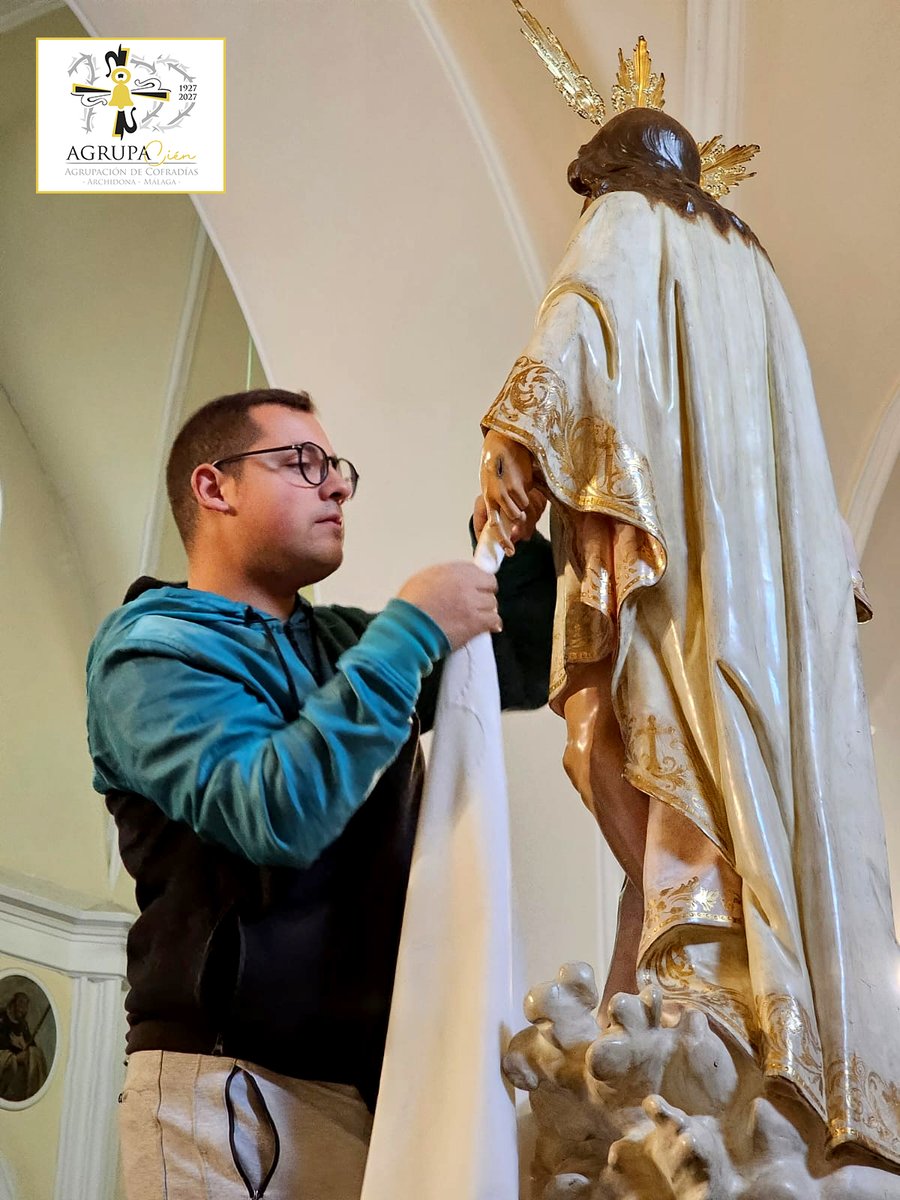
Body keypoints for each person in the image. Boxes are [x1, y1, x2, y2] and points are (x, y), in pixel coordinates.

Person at [480, 102, 900, 1169]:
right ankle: (772, 1018)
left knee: (686, 773)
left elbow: (583, 317)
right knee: (758, 784)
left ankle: (697, 985)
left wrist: (516, 441)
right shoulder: (757, 281)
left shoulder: (631, 220)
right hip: (772, 605)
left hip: (690, 587)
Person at [86, 387, 554, 1199]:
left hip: (364, 1088)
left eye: (338, 467)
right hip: (225, 1086)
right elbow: (275, 811)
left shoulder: (343, 643)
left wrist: (508, 533)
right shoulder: (153, 651)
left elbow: (520, 661)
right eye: (302, 462)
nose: (336, 485)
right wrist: (411, 627)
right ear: (214, 488)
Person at [0, 991, 48, 1102]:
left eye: (25, 1006)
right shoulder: (2, 1016)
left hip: (19, 1057)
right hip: (5, 1056)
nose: (23, 1010)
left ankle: (33, 1091)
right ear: (13, 1004)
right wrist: (12, 1045)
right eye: (21, 1005)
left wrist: (23, 1044)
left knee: (35, 1052)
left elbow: (30, 1044)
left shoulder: (22, 1023)